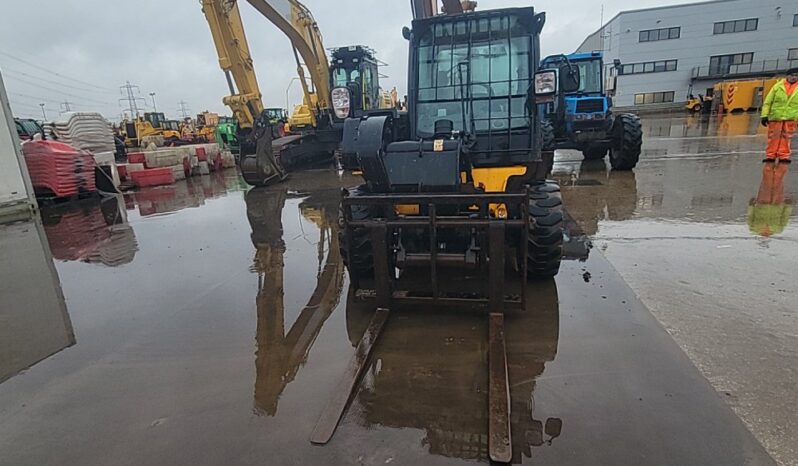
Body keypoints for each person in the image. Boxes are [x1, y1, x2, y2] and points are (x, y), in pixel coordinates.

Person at [761, 68, 798, 163]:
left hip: (791, 118)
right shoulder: (777, 87)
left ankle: (784, 156)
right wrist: (764, 115)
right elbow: (768, 102)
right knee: (773, 137)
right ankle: (770, 156)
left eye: (796, 75)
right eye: (792, 75)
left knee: (786, 138)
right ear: (787, 76)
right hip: (776, 117)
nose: (794, 77)